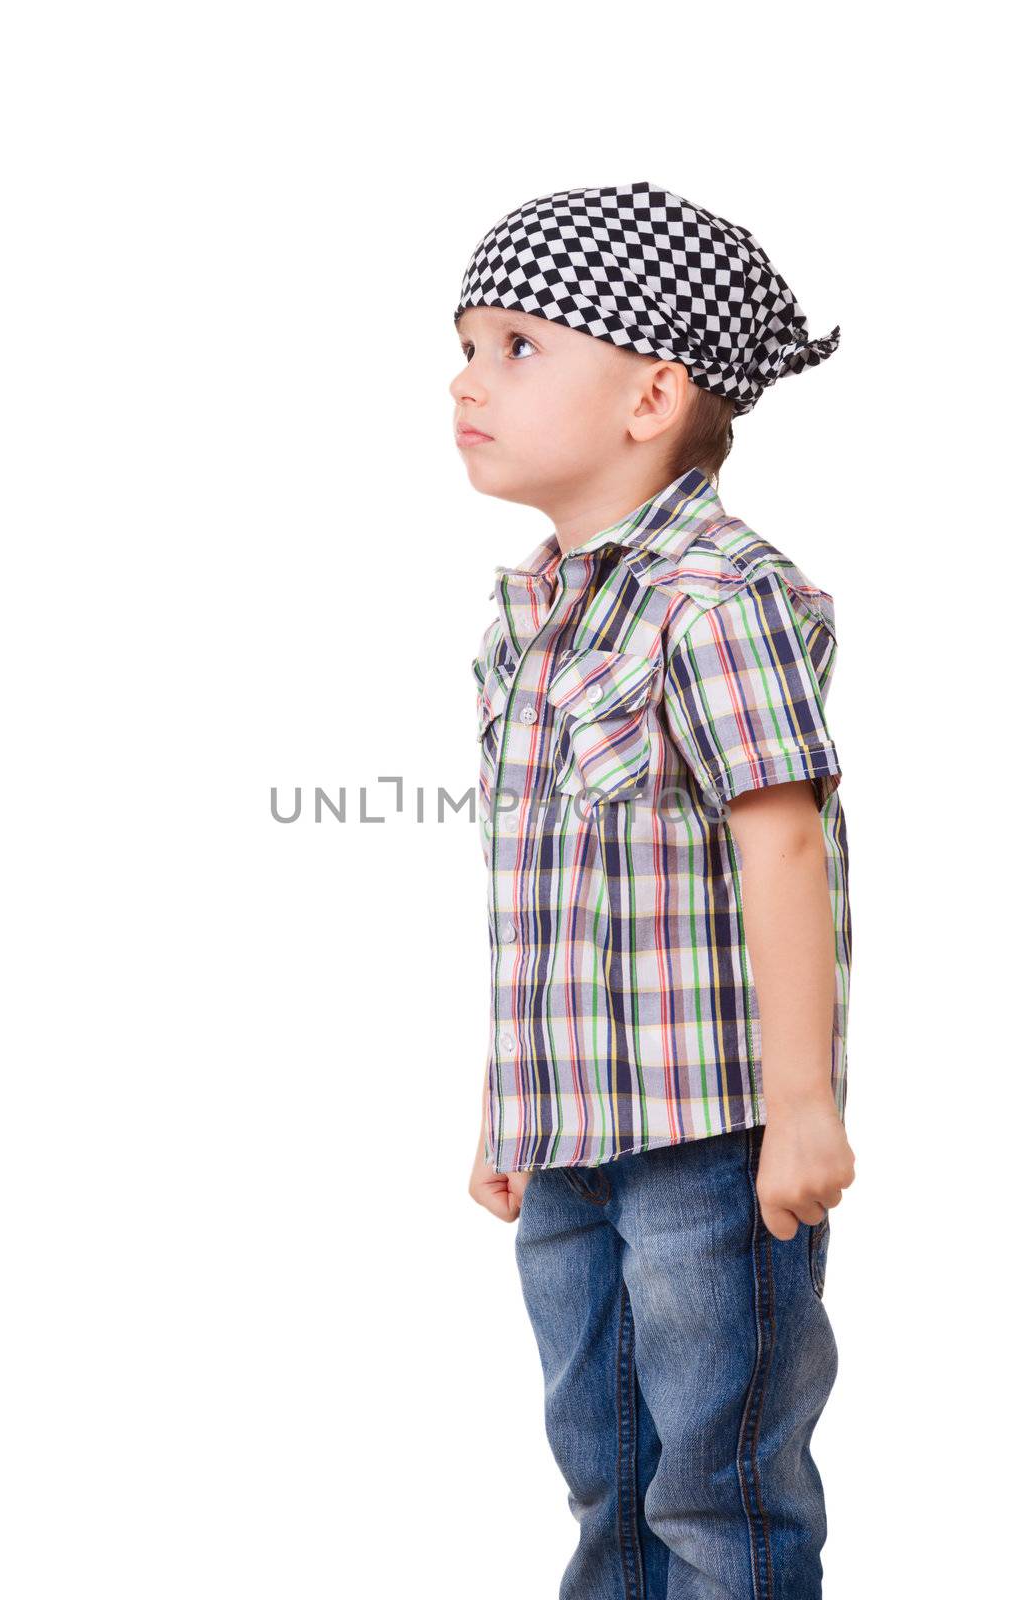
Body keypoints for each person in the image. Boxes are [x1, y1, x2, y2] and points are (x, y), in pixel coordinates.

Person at [452, 182, 857, 1598]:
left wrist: (802, 1107)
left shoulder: (718, 598)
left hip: (712, 1135)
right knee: (604, 1472)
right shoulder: (534, 612)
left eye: (515, 346)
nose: (466, 380)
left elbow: (783, 844)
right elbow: (544, 893)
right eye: (463, 346)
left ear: (651, 395)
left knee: (719, 1485)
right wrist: (517, 1105)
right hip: (574, 1136)